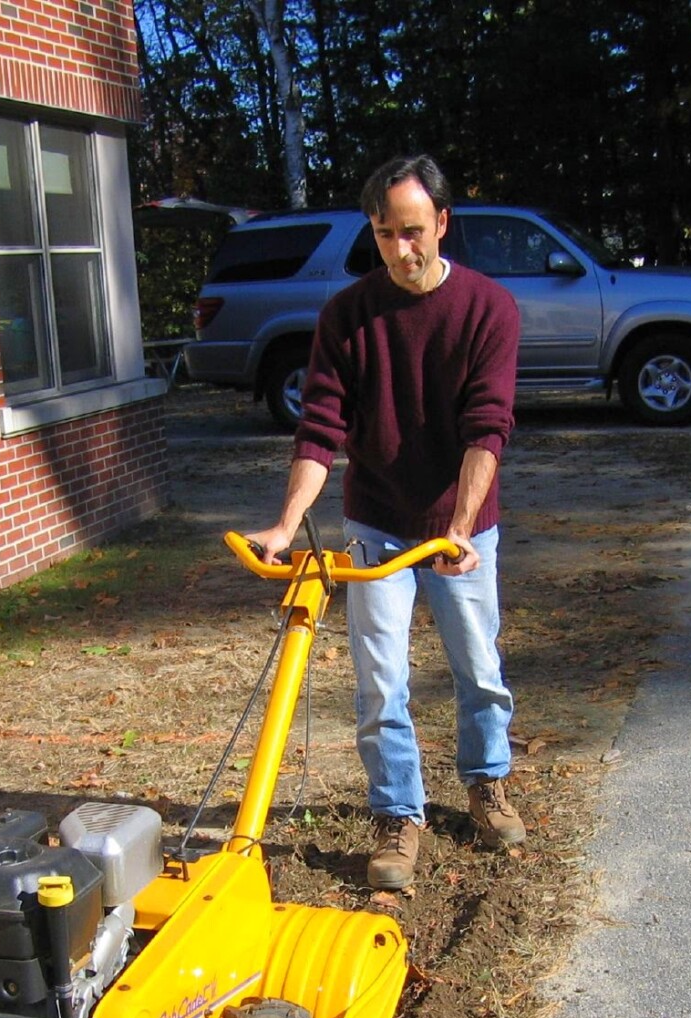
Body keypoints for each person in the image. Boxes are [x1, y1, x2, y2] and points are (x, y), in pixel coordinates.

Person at [245, 153, 524, 891]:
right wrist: (284, 525)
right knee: (380, 681)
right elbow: (320, 430)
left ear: (441, 222)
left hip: (458, 526)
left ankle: (485, 781)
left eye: (411, 232)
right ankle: (400, 813)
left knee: (477, 667)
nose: (400, 250)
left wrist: (459, 528)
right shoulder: (347, 315)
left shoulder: (488, 308)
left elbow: (486, 428)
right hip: (376, 521)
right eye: (383, 235)